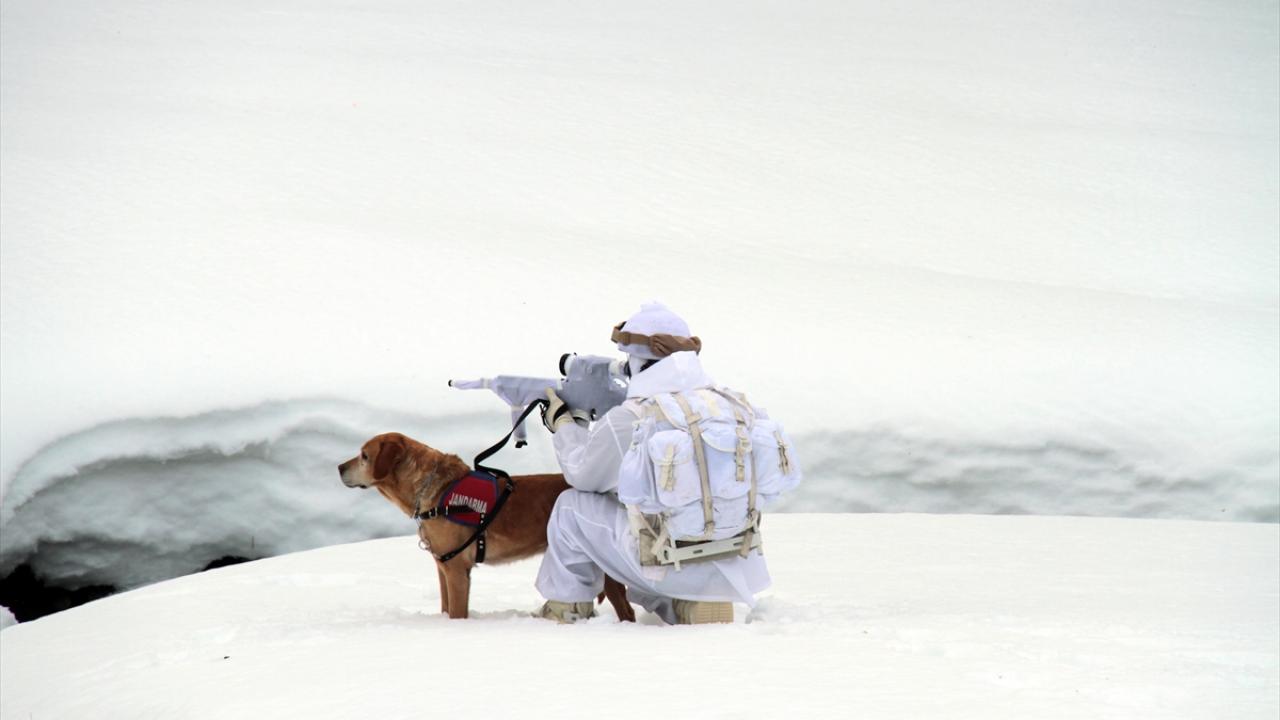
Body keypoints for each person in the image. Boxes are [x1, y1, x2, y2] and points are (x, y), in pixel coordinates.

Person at [535, 302, 772, 624]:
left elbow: (584, 477)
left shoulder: (632, 416)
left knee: (571, 506)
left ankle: (567, 608)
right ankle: (686, 605)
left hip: (666, 562)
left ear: (638, 362)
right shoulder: (731, 403)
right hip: (734, 559)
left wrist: (565, 426)